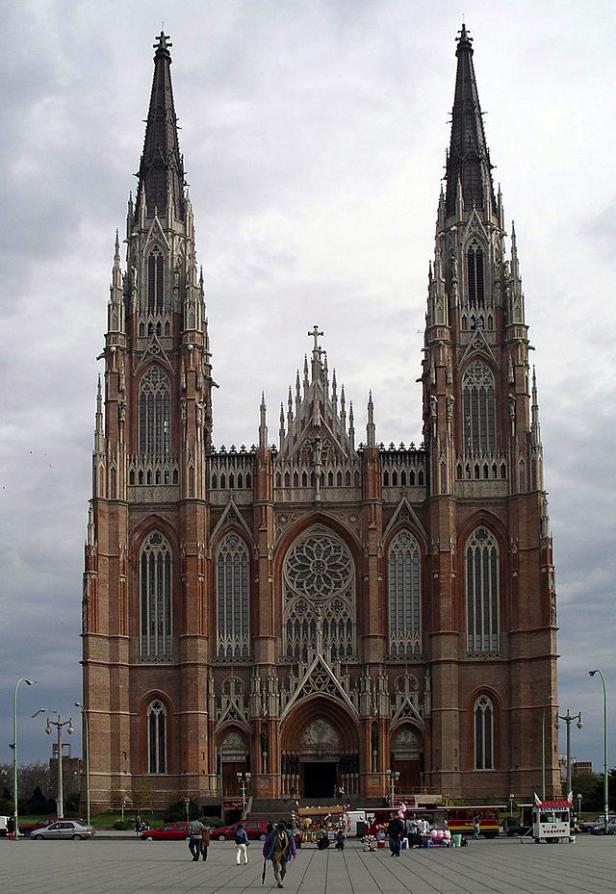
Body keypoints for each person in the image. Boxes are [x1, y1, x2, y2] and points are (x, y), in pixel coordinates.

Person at [263, 822, 295, 889]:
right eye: (279, 830)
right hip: (275, 853)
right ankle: (279, 882)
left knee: (284, 870)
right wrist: (265, 853)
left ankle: (280, 879)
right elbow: (266, 844)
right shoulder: (272, 835)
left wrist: (293, 852)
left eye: (282, 830)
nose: (280, 831)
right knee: (277, 868)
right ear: (277, 829)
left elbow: (292, 844)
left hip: (284, 854)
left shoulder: (287, 834)